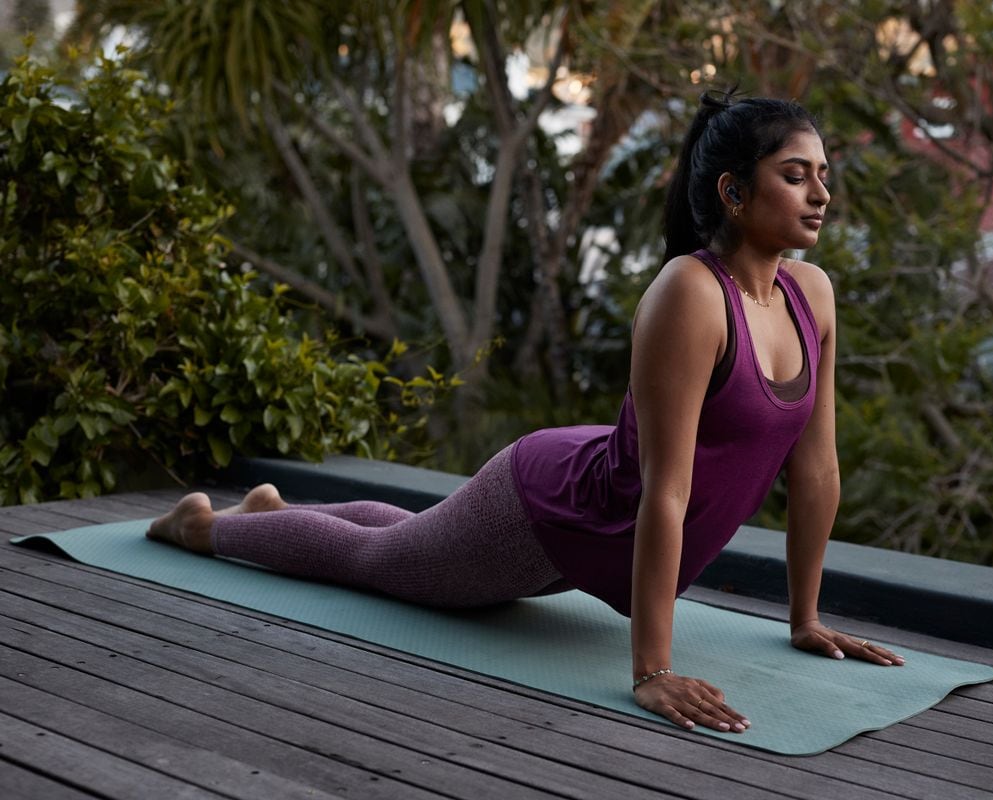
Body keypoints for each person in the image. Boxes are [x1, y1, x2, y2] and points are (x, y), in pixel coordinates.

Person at [148, 90, 904, 735]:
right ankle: (205, 525)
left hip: (593, 523)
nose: (821, 195)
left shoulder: (814, 295)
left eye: (823, 177)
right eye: (795, 176)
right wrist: (654, 669)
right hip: (552, 512)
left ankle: (270, 505)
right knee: (380, 563)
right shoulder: (691, 293)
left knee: (415, 542)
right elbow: (666, 490)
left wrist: (804, 619)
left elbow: (817, 468)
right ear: (734, 193)